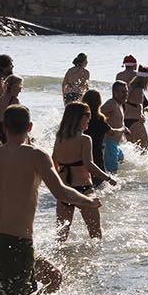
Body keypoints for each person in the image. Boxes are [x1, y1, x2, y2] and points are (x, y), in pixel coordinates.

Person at [0, 105, 97, 295]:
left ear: (3, 126)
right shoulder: (36, 155)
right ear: (29, 127)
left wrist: (1, 205)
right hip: (18, 245)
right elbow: (61, 193)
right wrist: (88, 201)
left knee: (53, 277)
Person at [51, 99, 117, 240]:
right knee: (96, 236)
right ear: (77, 118)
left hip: (65, 191)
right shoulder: (85, 139)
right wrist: (108, 178)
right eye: (87, 115)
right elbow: (89, 165)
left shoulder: (59, 138)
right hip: (84, 190)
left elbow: (53, 163)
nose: (90, 118)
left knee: (61, 238)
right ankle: (92, 261)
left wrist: (59, 181)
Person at [122, 67, 148, 149]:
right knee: (145, 147)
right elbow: (139, 104)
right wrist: (141, 114)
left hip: (126, 121)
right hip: (136, 121)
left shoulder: (130, 87)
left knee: (134, 148)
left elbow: (131, 104)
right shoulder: (139, 90)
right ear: (146, 79)